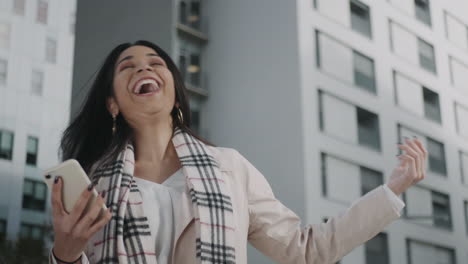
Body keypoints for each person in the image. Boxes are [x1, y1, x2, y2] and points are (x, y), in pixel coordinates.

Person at [49, 40, 427, 264]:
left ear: (175, 93)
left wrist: (391, 191)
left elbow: (306, 248)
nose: (142, 68)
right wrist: (64, 254)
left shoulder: (229, 167)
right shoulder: (90, 182)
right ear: (112, 104)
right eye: (127, 67)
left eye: (155, 63)